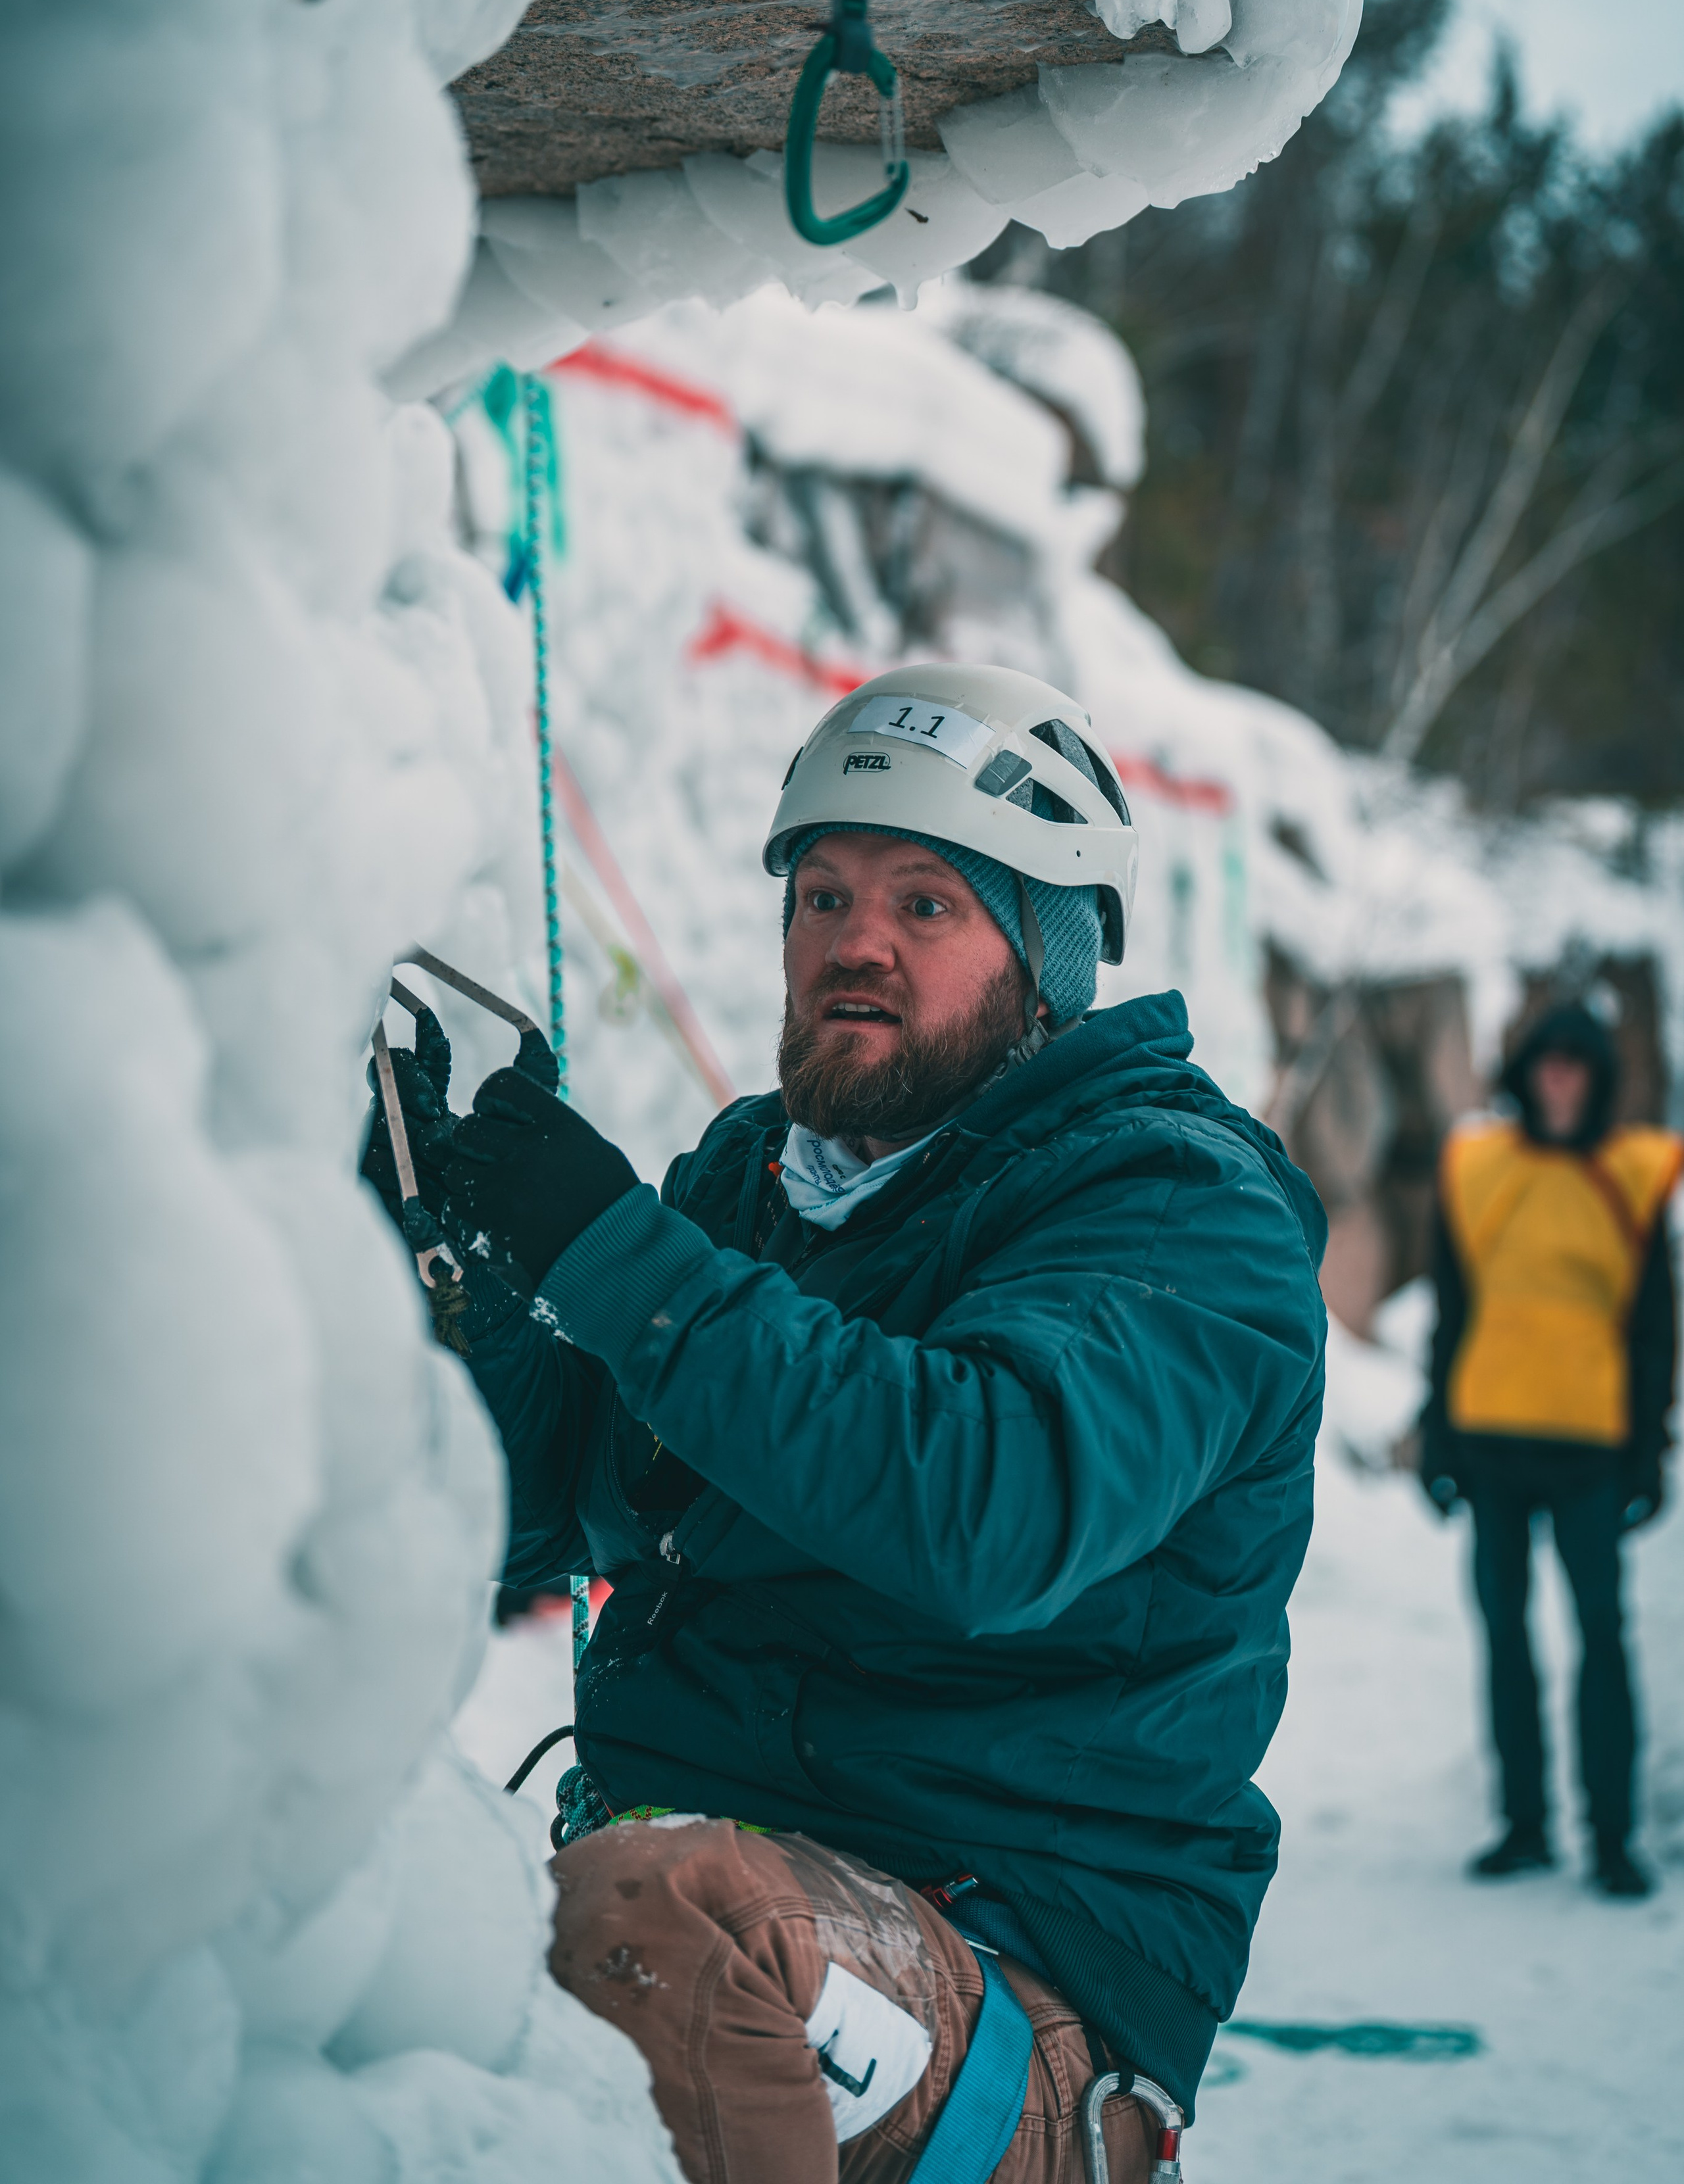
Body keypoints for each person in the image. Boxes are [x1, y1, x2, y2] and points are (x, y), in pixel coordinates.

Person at [364, 664, 1328, 2183]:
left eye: (925, 903)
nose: (854, 942)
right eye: (820, 896)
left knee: (662, 1918)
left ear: (1046, 956)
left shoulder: (1180, 1213)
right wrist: (450, 1274)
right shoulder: (757, 1180)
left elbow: (984, 1508)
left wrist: (614, 1253)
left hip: (1003, 1958)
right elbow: (549, 1505)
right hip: (712, 1878)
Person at [1419, 1002, 1681, 1900]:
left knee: (1601, 1639)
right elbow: (1451, 1313)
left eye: (1577, 1061)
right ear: (1526, 1071)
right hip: (1491, 1436)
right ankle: (1523, 1826)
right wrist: (1435, 1436)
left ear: (1599, 1074)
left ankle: (1612, 1837)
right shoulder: (1479, 1169)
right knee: (1506, 1639)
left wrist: (1652, 1449)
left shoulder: (1634, 1176)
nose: (1560, 1075)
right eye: (1547, 1060)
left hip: (1593, 1446)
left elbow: (1655, 1331)